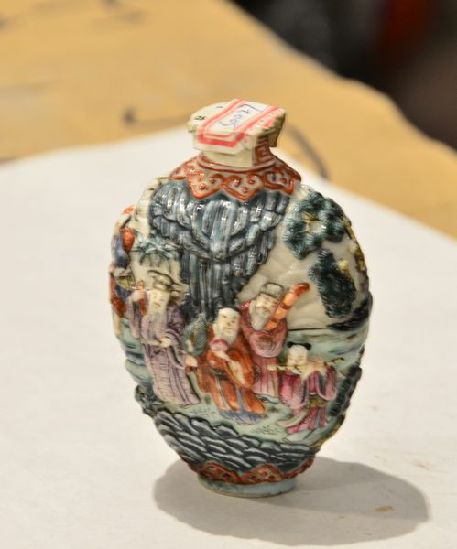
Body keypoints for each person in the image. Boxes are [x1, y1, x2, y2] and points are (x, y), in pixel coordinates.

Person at [187, 308, 265, 420]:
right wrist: (196, 360)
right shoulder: (210, 335)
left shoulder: (239, 340)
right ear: (218, 321)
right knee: (221, 401)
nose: (229, 324)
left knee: (237, 401)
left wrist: (229, 358)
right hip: (215, 379)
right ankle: (226, 415)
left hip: (234, 380)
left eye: (233, 321)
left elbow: (245, 361)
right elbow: (201, 354)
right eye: (225, 318)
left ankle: (246, 417)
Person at [239, 282, 309, 400]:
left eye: (273, 304)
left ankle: (267, 397)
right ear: (257, 298)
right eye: (266, 300)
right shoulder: (243, 313)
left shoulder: (280, 322)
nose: (267, 305)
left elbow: (277, 345)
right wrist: (253, 337)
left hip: (266, 364)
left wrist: (266, 344)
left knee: (266, 390)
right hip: (244, 360)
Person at [140, 273, 199, 405]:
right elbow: (140, 333)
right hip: (152, 352)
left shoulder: (172, 311)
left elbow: (179, 327)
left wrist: (170, 338)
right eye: (155, 296)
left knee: (172, 378)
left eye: (162, 299)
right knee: (159, 378)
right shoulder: (146, 313)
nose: (157, 301)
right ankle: (164, 397)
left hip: (169, 354)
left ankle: (182, 399)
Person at [278, 344, 337, 434]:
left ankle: (306, 428)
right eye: (291, 359)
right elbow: (287, 393)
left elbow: (327, 386)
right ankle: (298, 427)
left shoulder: (312, 368)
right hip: (301, 403)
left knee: (315, 415)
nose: (295, 362)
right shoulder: (288, 374)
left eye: (300, 359)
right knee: (303, 415)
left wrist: (324, 370)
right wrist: (301, 377)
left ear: (306, 359)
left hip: (316, 400)